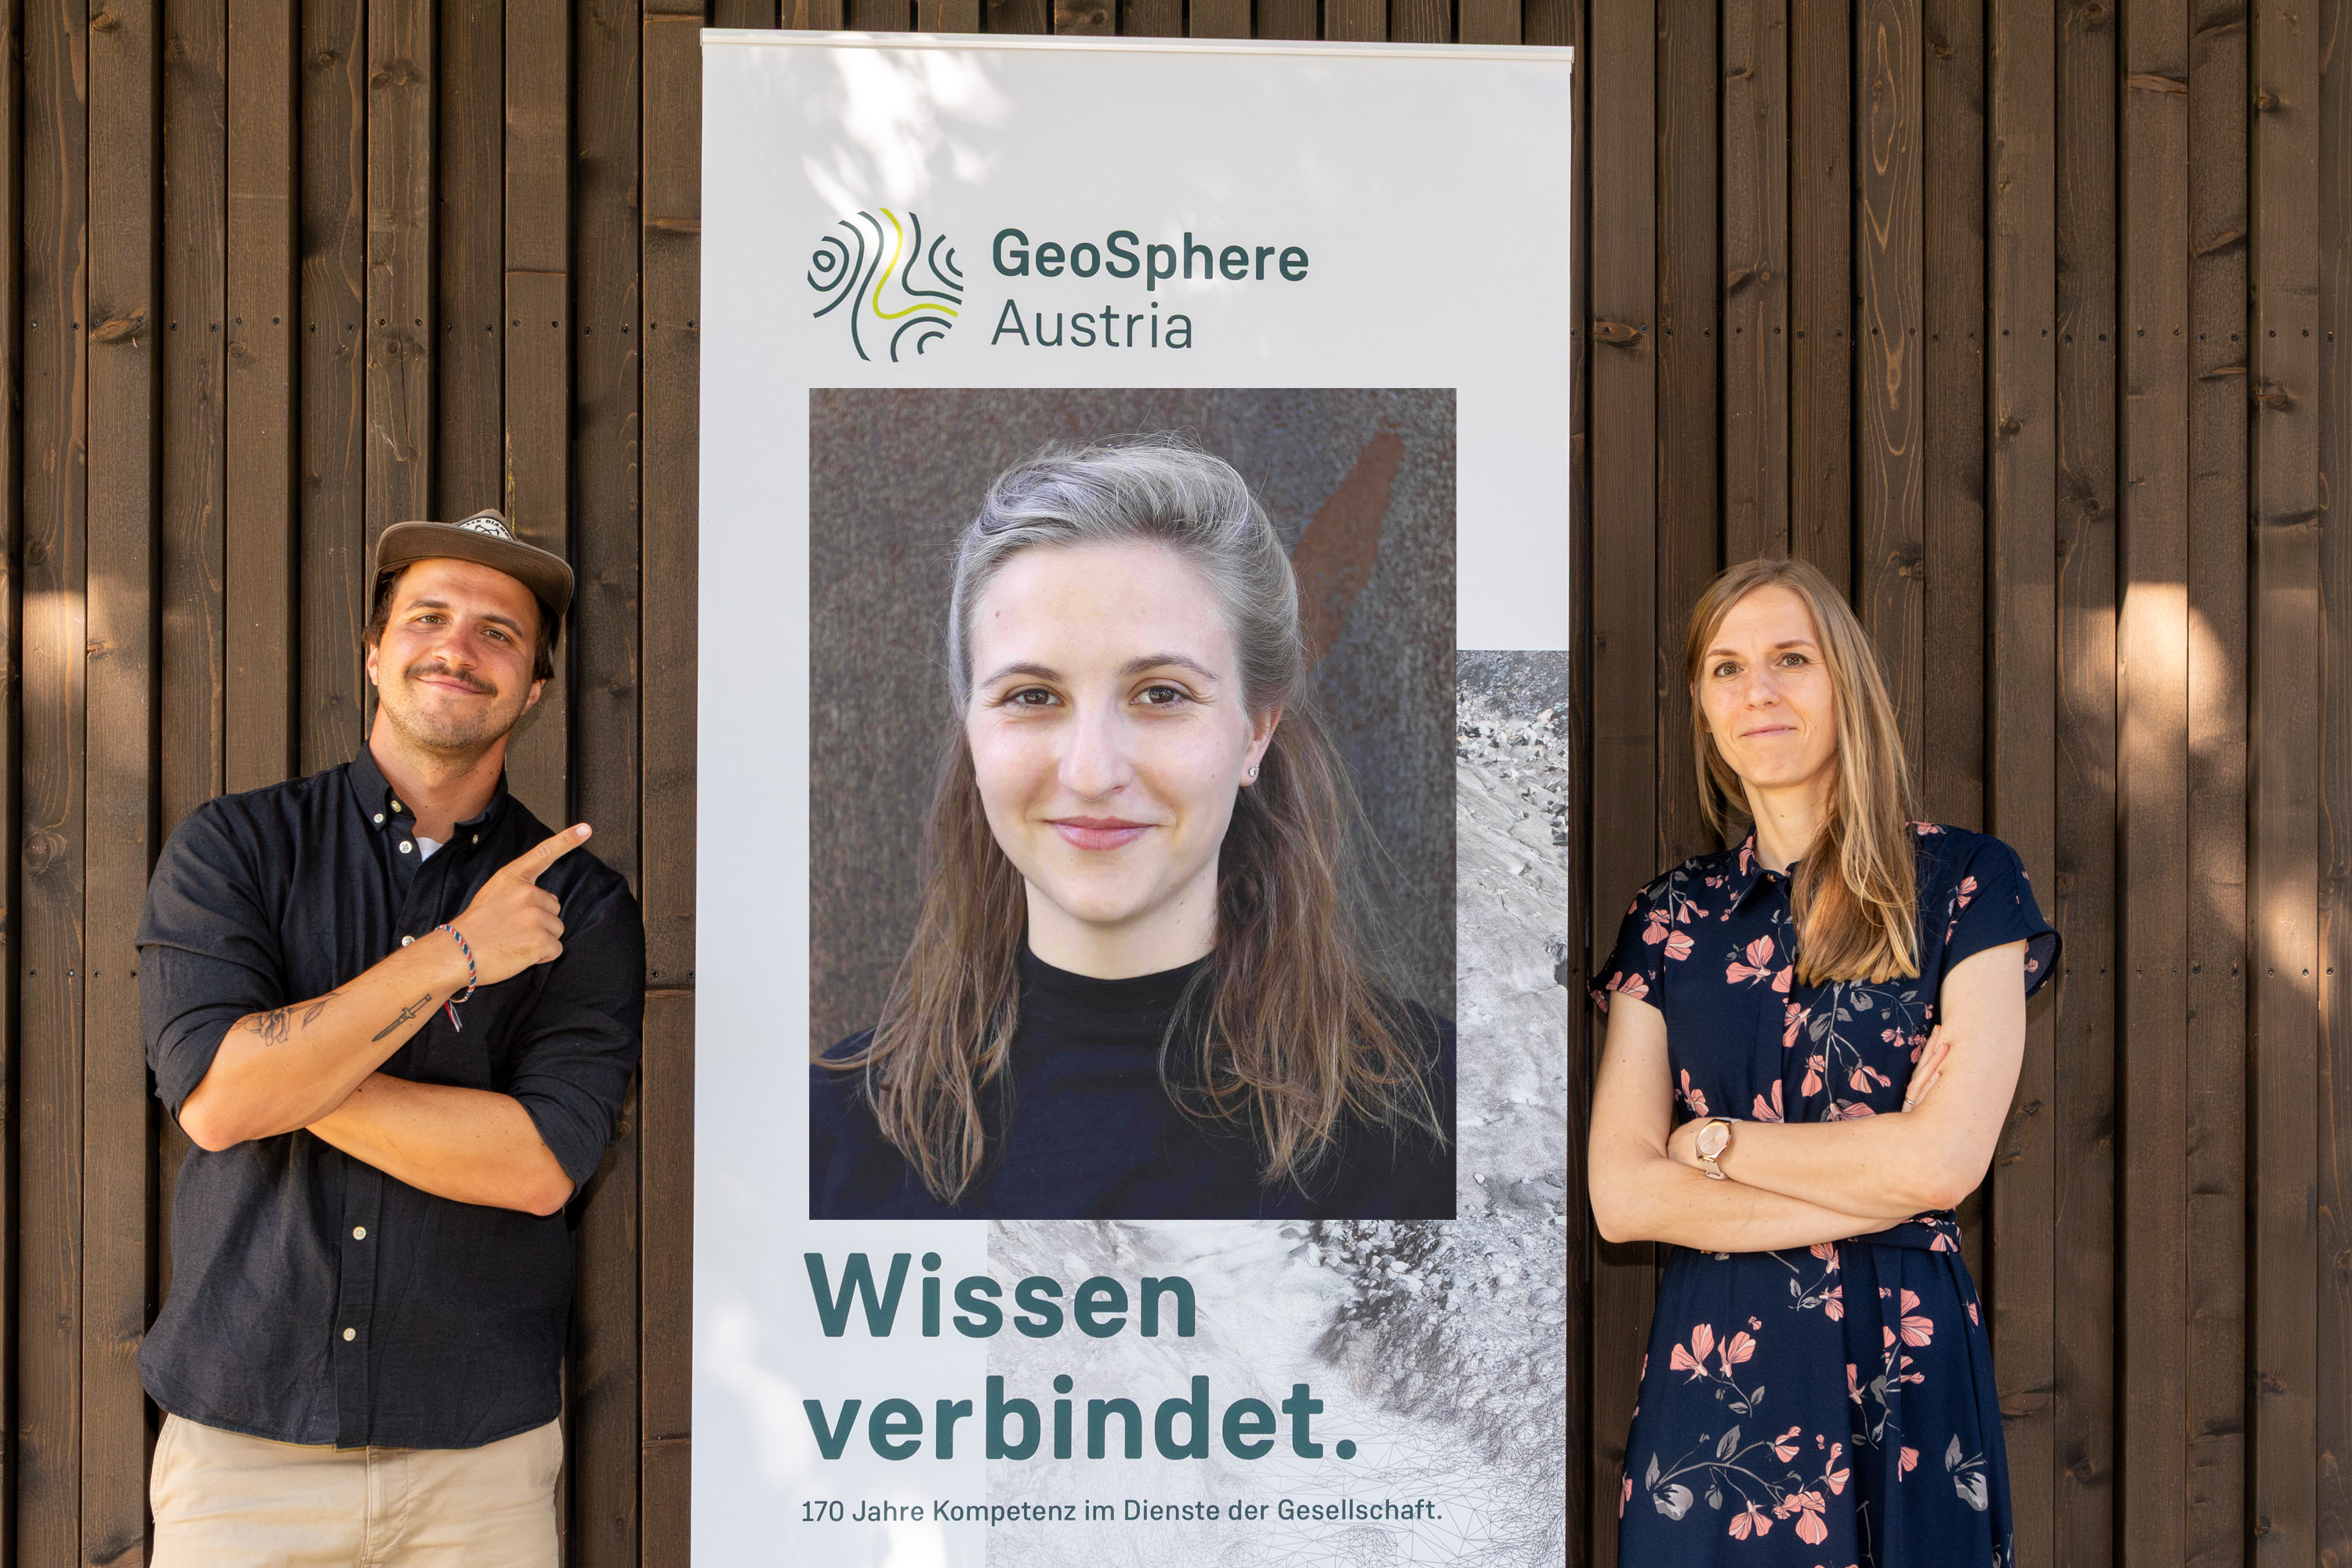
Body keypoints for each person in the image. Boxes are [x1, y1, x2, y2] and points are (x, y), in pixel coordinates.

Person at [135, 509, 643, 1566]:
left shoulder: (579, 904)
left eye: (500, 633)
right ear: (376, 653)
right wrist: (457, 953)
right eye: (429, 617)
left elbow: (539, 1164)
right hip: (242, 1451)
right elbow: (221, 1104)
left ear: (535, 687)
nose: (459, 648)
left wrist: (284, 1072)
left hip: (479, 1467)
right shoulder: (234, 848)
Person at [810, 436, 1451, 1219]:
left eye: (1161, 694)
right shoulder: (825, 1135)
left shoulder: (1445, 1115)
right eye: (1032, 696)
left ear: (1255, 732)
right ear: (971, 729)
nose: (1091, 771)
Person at [1587, 556, 2058, 1567]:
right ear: (1703, 706)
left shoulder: (1968, 886)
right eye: (1726, 667)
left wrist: (1709, 1142)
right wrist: (1888, 1182)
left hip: (1905, 1368)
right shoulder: (1667, 918)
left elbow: (1945, 1164)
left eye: (1790, 658)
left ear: (1846, 680)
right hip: (1716, 1390)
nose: (1757, 690)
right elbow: (1624, 1198)